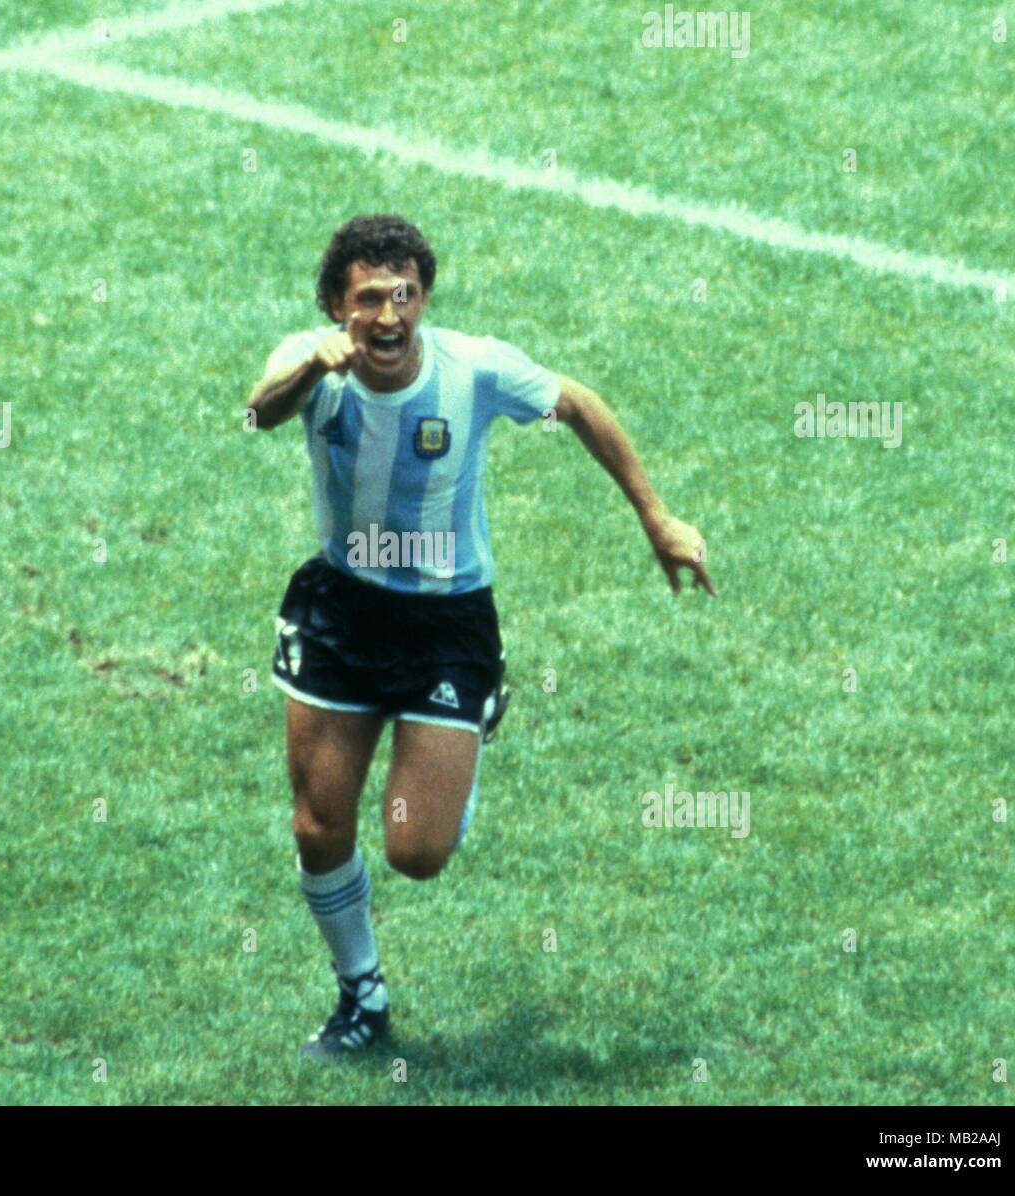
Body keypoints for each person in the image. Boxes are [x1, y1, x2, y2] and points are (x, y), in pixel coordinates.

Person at [245, 214, 716, 1058]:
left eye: (405, 296)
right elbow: (261, 410)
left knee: (415, 852)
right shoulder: (310, 365)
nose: (388, 317)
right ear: (332, 306)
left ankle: (465, 732)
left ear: (423, 298)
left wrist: (658, 518)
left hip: (446, 622)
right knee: (319, 827)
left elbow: (576, 403)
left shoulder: (474, 369)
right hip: (340, 610)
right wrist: (314, 362)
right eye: (367, 300)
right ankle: (363, 997)